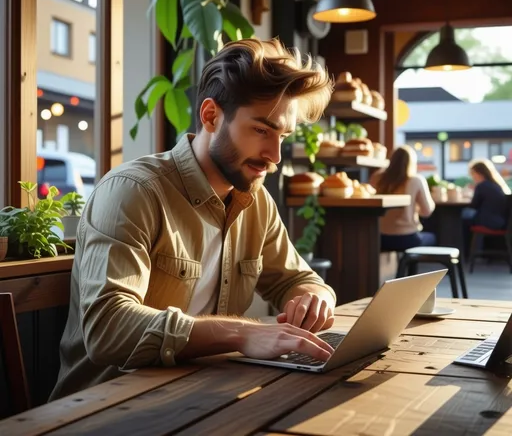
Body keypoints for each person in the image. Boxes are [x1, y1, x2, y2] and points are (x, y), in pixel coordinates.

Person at [49, 38, 337, 400]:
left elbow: (298, 279)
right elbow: (108, 328)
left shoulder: (255, 201)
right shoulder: (133, 191)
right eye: (262, 130)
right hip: (107, 405)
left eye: (283, 135)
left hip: (204, 394)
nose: (274, 155)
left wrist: (314, 297)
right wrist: (243, 333)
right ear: (211, 116)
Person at [371, 145, 436, 251]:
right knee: (431, 237)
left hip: (380, 237)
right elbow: (427, 212)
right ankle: (411, 267)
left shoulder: (377, 177)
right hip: (407, 238)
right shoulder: (416, 180)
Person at [461, 158, 511, 259]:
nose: (472, 176)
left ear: (479, 173)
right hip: (501, 221)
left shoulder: (482, 186)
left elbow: (473, 205)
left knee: (463, 216)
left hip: (488, 222)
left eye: (473, 173)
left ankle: (464, 253)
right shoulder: (497, 185)